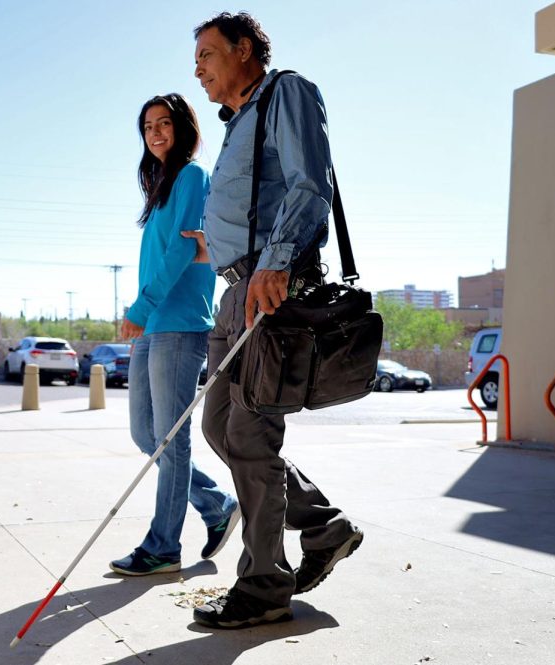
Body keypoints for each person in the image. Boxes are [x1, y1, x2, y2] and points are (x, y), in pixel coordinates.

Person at [182, 12, 364, 628]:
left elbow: (310, 184)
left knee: (251, 435)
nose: (199, 68)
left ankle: (263, 585)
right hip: (233, 292)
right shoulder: (237, 126)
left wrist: (277, 261)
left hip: (269, 288)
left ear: (243, 50)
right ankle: (323, 524)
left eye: (207, 53)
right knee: (218, 428)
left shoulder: (286, 91)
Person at [109, 93, 240, 576]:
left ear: (183, 127)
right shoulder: (161, 186)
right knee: (146, 434)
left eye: (164, 123)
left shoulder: (191, 177)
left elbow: (184, 252)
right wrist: (141, 313)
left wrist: (140, 308)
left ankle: (163, 546)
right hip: (152, 326)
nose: (156, 131)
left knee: (170, 438)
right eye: (148, 126)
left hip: (179, 325)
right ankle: (217, 504)